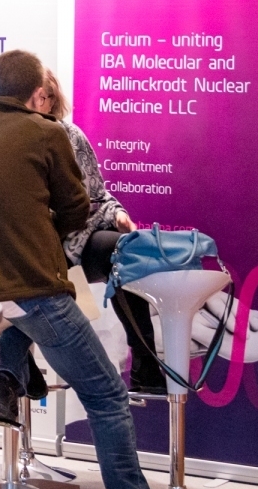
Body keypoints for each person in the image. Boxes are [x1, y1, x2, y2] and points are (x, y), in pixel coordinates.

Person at [0, 49, 200, 489]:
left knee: (51, 360)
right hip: (36, 287)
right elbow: (76, 212)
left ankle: (11, 378)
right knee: (107, 397)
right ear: (37, 94)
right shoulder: (48, 134)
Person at [32, 70, 164, 394]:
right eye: (31, 97)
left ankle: (146, 365)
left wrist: (118, 214)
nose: (37, 103)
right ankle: (17, 371)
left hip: (78, 237)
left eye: (43, 96)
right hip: (35, 246)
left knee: (124, 250)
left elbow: (98, 194)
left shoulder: (71, 136)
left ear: (52, 99)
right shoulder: (15, 143)